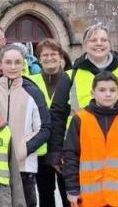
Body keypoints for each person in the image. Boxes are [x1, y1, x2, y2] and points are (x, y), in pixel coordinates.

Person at [48, 23, 118, 171]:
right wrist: (56, 152)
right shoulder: (71, 76)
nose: (99, 44)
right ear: (84, 45)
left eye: (103, 40)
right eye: (93, 40)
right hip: (81, 149)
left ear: (110, 44)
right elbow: (57, 115)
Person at [63, 72, 118, 207]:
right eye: (102, 90)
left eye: (112, 90)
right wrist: (72, 189)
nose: (108, 94)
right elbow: (70, 157)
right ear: (92, 93)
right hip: (89, 199)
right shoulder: (80, 119)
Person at [0, 45, 50, 207]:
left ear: (23, 64)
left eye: (17, 62)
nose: (13, 67)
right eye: (8, 62)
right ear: (0, 64)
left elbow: (44, 128)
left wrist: (22, 149)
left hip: (24, 167)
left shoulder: (34, 91)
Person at [29, 38, 71, 207]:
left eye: (53, 54)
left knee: (68, 192)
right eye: (44, 55)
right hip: (41, 148)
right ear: (39, 58)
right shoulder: (31, 81)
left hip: (66, 146)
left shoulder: (71, 79)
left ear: (61, 57)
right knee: (45, 194)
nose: (49, 58)